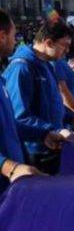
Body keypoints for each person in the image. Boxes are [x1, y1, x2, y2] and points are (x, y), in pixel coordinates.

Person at [2, 20, 74, 174]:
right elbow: (19, 116)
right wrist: (49, 131)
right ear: (49, 42)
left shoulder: (46, 63)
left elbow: (51, 99)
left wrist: (71, 117)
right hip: (36, 150)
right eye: (65, 45)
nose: (68, 51)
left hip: (48, 142)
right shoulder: (22, 67)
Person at [0, 11, 43, 190]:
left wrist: (44, 135)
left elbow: (9, 124)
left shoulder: (1, 79)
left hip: (13, 185)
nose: (16, 40)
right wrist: (9, 167)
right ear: (2, 36)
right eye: (13, 34)